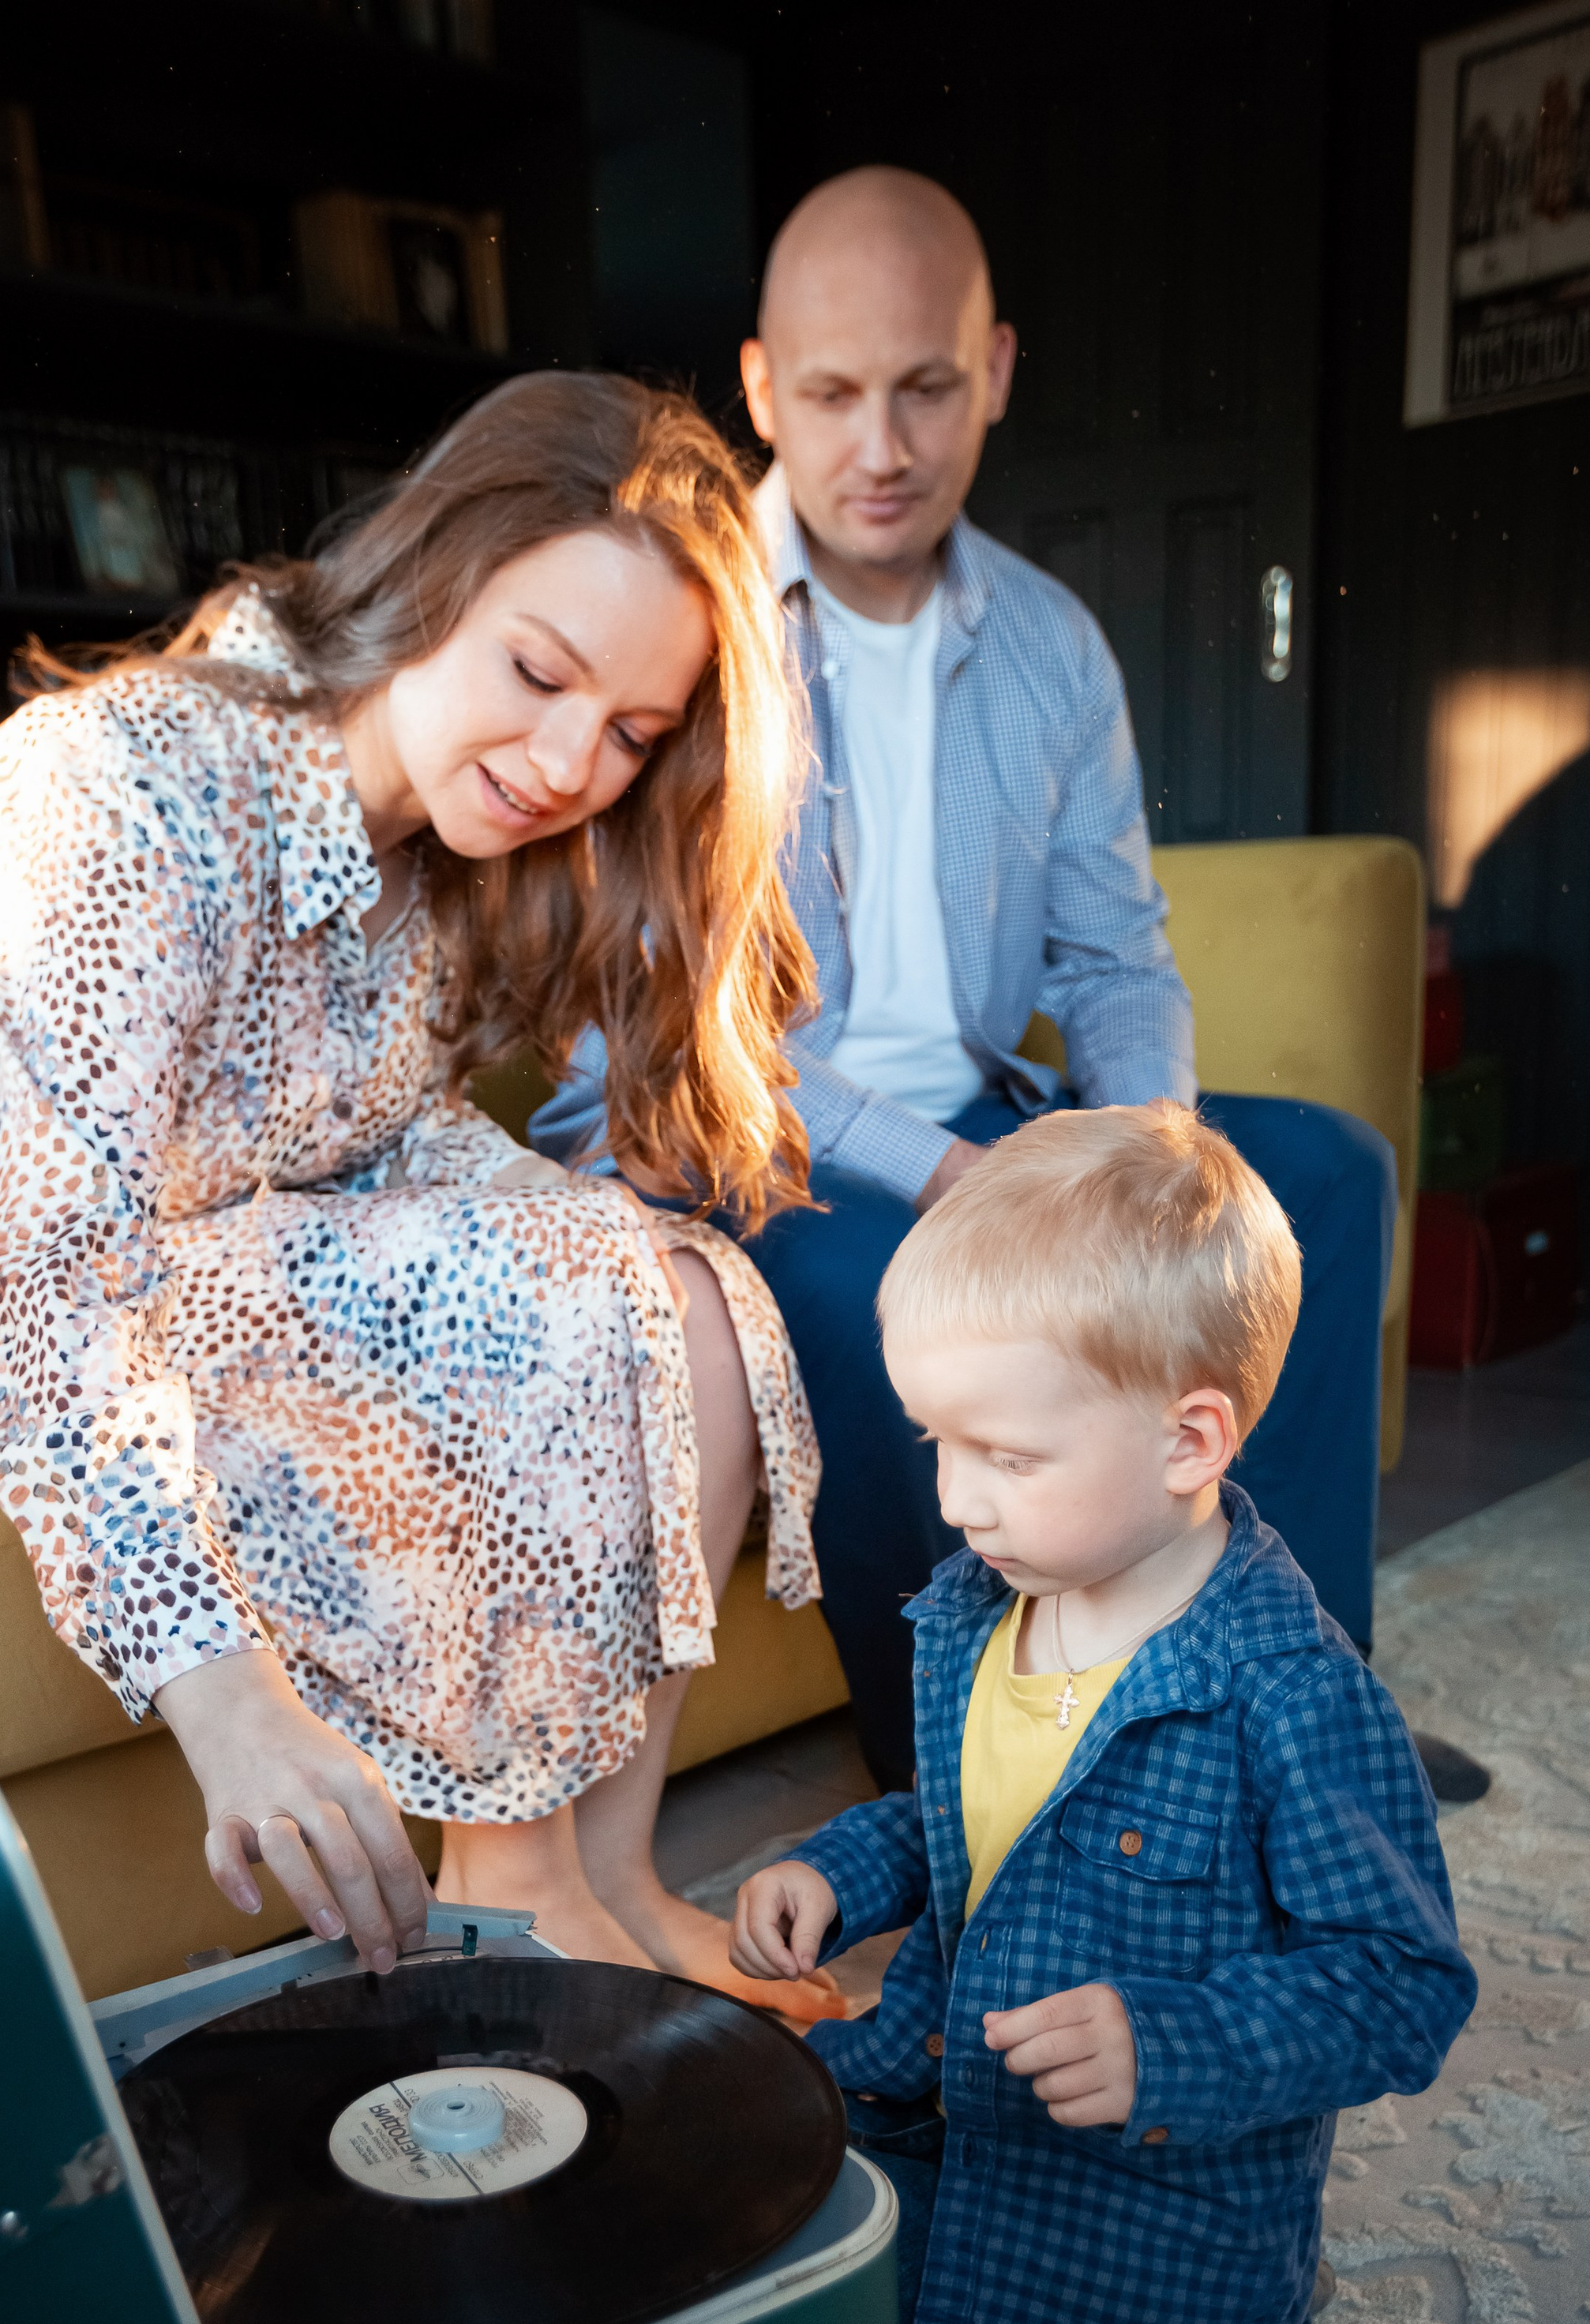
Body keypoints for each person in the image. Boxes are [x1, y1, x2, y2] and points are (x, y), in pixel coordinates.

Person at [0, 372, 842, 2011]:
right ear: (431, 576)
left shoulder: (444, 835)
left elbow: (388, 1147)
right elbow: (54, 1295)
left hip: (226, 1248)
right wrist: (222, 1699)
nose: (573, 759)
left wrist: (589, 1249)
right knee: (527, 1291)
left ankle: (612, 1875)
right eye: (539, 671)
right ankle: (515, 1888)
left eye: (632, 734)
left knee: (679, 1288)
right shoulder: (121, 789)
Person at [533, 167, 1421, 1798]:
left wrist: (1146, 1154)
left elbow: (1111, 952)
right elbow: (683, 1031)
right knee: (898, 1280)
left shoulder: (1052, 646)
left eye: (926, 389)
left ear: (995, 371)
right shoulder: (685, 628)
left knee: (1312, 1183)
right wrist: (971, 1180)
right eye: (830, 396)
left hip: (976, 1122)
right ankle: (976, 1793)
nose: (880, 447)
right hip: (731, 1138)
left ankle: (1287, 1723)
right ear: (756, 391)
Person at [729, 1104, 1475, 2324]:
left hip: (1117, 2246)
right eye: (936, 1444)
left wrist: (1168, 2047)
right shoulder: (980, 1607)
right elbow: (980, 1822)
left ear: (1191, 1441)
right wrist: (844, 1867)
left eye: (1007, 1458)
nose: (957, 1500)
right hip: (929, 2094)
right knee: (700, 2180)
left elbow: (1403, 1985)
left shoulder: (1293, 1697)